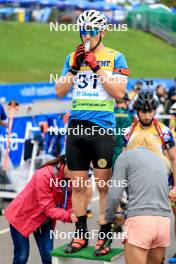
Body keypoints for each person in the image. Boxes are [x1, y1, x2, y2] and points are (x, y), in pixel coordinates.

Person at [56, 9, 130, 255]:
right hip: (76, 127)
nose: (87, 35)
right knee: (77, 185)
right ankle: (79, 236)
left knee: (103, 186)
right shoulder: (72, 56)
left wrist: (97, 67)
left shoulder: (116, 57)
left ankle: (105, 236)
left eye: (92, 30)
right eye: (83, 30)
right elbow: (59, 91)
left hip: (101, 129)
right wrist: (74, 68)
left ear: (103, 31)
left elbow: (120, 94)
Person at [123, 88, 176, 263]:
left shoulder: (164, 131)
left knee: (162, 222)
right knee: (139, 226)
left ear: (155, 110)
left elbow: (174, 159)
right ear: (137, 110)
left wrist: (175, 186)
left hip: (161, 186)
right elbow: (124, 160)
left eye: (150, 111)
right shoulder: (128, 132)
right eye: (143, 111)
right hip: (138, 187)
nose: (147, 115)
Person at [105, 132, 172, 264]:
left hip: (140, 225)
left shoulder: (126, 156)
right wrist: (125, 214)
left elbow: (114, 195)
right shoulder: (162, 161)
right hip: (163, 223)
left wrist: (108, 218)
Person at [5, 155, 77, 264]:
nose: (79, 176)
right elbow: (48, 207)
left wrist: (73, 214)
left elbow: (69, 205)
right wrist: (68, 216)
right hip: (22, 216)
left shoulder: (70, 180)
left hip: (45, 219)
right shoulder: (44, 174)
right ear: (69, 165)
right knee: (22, 256)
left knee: (48, 256)